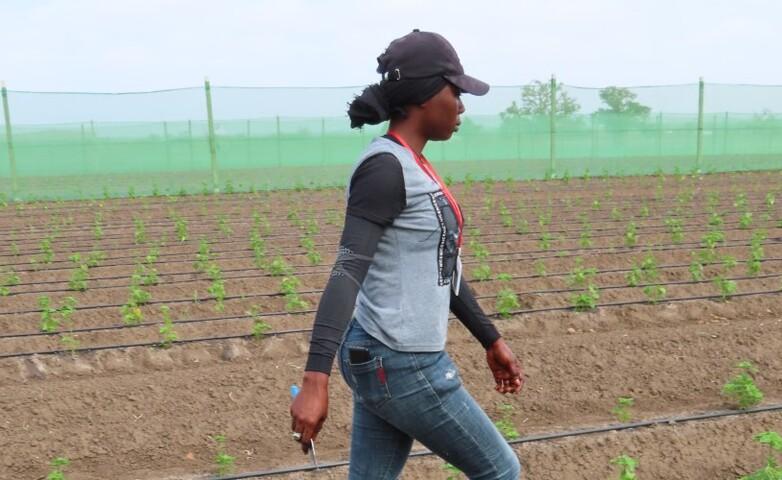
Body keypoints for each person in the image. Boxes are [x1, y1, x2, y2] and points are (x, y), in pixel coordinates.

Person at [290, 29, 524, 479]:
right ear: (425, 94)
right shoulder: (385, 168)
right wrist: (314, 380)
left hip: (382, 356)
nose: (461, 106)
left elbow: (441, 267)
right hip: (402, 360)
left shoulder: (412, 165)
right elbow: (347, 269)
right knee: (501, 471)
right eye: (456, 92)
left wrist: (490, 339)